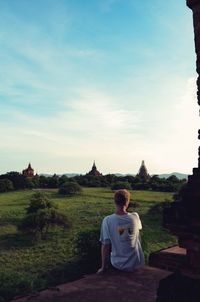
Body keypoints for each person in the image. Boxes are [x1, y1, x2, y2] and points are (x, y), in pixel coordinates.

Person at [97, 189, 144, 274]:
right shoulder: (135, 216)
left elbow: (105, 245)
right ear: (127, 202)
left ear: (115, 202)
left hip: (118, 264)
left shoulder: (108, 220)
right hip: (136, 263)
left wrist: (103, 268)